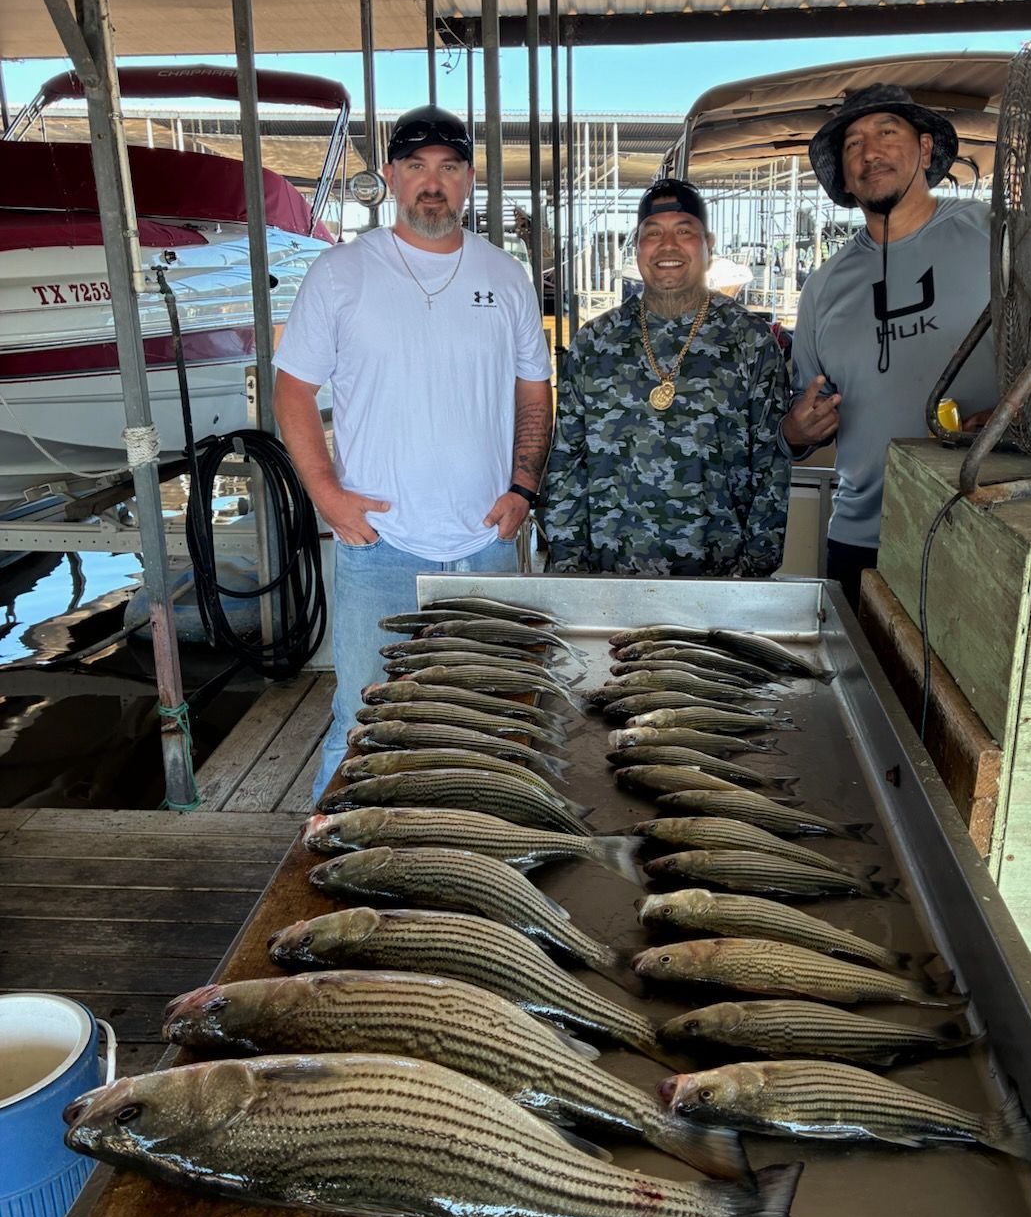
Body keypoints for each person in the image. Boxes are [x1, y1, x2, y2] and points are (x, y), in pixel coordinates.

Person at [273, 103, 552, 799]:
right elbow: (292, 393)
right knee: (362, 720)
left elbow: (534, 393)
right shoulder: (341, 272)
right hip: (379, 547)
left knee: (485, 722)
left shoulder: (508, 275)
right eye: (418, 167)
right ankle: (322, 871)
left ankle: (467, 862)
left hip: (484, 542)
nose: (434, 183)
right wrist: (326, 494)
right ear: (393, 177)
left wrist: (523, 490)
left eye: (450, 168)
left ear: (470, 181)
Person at [781, 84, 994, 611]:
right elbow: (799, 422)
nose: (869, 152)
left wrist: (1015, 417)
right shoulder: (824, 286)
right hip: (861, 537)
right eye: (852, 144)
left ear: (925, 150)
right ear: (844, 175)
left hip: (987, 526)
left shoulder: (996, 237)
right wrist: (796, 429)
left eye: (886, 132)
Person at [541, 179, 791, 577]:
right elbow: (568, 461)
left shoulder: (750, 340)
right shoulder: (595, 341)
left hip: (718, 580)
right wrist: (568, 567)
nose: (668, 245)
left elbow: (771, 464)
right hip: (608, 579)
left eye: (684, 231)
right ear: (637, 248)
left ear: (708, 244)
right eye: (653, 233)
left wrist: (753, 574)